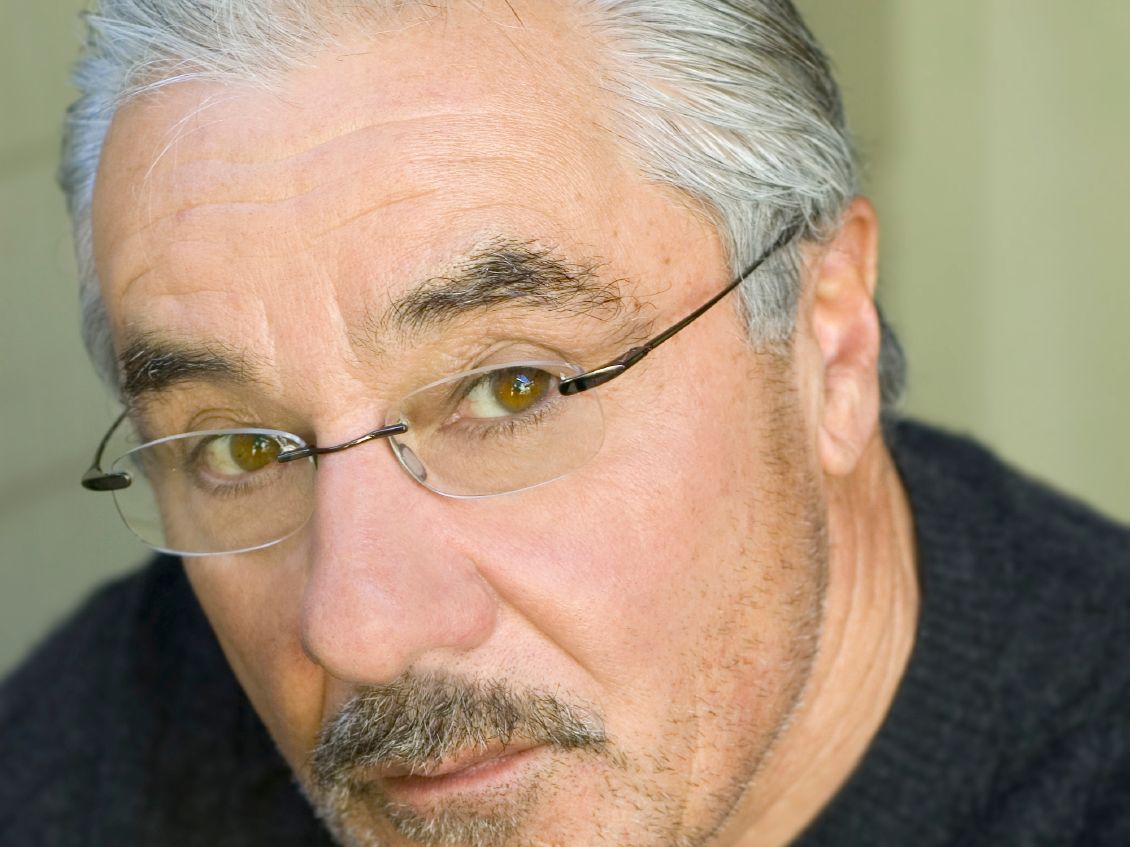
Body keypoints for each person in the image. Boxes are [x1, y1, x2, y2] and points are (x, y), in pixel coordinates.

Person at [2, 0, 1128, 845]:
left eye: (511, 390)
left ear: (828, 341)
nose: (356, 630)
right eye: (243, 449)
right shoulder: (88, 764)